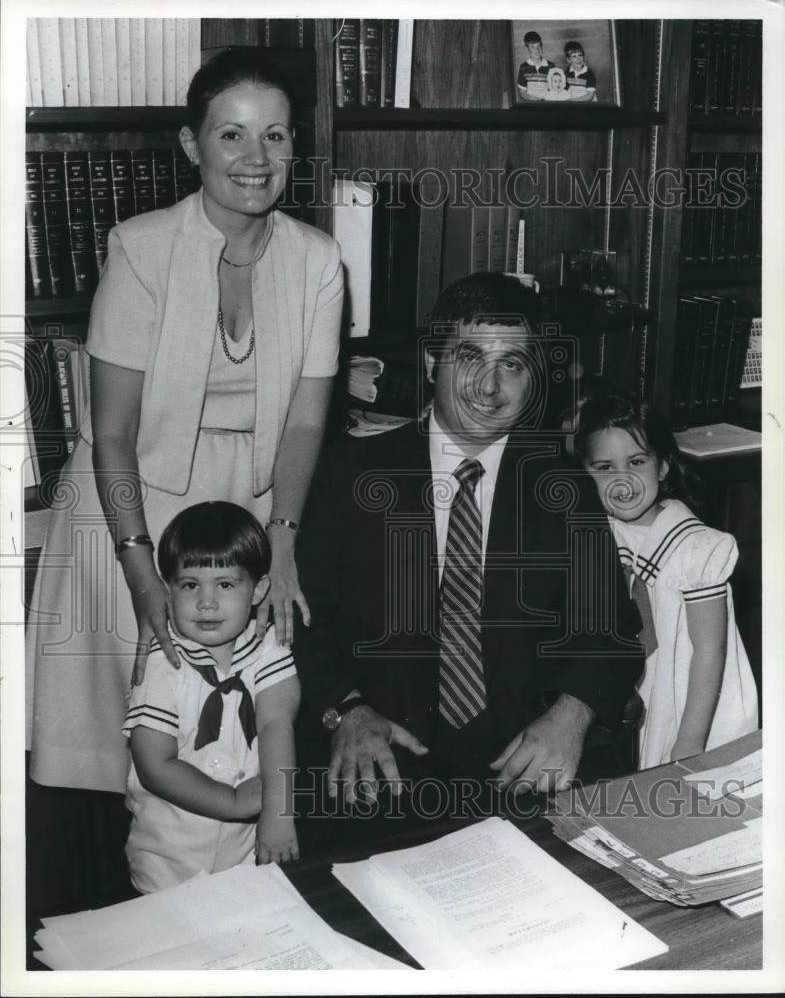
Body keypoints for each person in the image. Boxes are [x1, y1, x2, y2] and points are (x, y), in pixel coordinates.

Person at [26, 47, 343, 794]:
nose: (255, 157)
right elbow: (111, 434)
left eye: (275, 134)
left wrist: (285, 540)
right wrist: (142, 581)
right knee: (125, 741)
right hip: (129, 508)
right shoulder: (141, 248)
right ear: (190, 144)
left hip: (251, 515)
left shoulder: (319, 260)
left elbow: (304, 424)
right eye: (231, 134)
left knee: (232, 736)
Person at [294, 274, 644, 844]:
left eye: (513, 364)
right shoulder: (347, 474)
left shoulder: (562, 487)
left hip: (520, 768)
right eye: (470, 357)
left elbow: (611, 628)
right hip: (383, 768)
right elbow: (304, 618)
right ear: (433, 361)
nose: (490, 385)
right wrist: (346, 711)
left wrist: (571, 716)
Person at [574, 392, 758, 769]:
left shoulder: (697, 548)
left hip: (694, 702)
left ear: (661, 467)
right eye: (604, 467)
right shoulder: (602, 533)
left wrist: (690, 743)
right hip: (641, 695)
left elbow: (710, 652)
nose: (622, 480)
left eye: (636, 461)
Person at [123, 502, 299, 893]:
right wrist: (235, 802)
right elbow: (155, 764)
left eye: (225, 584)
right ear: (168, 591)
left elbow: (276, 723)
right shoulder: (161, 661)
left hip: (245, 854)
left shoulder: (267, 647)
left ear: (258, 590)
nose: (206, 601)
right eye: (190, 585)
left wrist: (279, 813)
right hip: (168, 862)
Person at [516, 31, 555, 101]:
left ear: (542, 46)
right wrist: (534, 99)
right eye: (532, 47)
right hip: (531, 104)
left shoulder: (551, 66)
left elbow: (555, 88)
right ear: (527, 48)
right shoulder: (524, 67)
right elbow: (522, 92)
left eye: (539, 46)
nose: (537, 50)